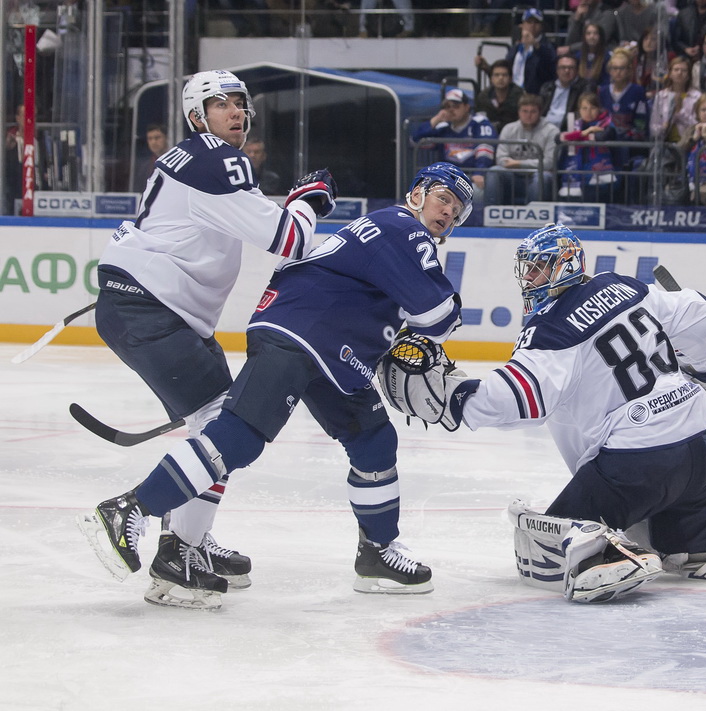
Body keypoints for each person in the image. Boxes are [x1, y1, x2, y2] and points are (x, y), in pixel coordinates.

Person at [78, 162, 474, 608]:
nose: (448, 214)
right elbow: (439, 315)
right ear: (419, 193)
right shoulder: (405, 228)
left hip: (329, 347)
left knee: (373, 439)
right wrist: (425, 337)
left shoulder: (389, 229)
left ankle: (377, 553)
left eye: (457, 212)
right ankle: (130, 508)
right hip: (303, 333)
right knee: (239, 437)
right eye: (444, 199)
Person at [376, 224, 706, 603]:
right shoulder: (624, 286)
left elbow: (520, 399)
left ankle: (605, 556)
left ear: (566, 264)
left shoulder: (552, 327)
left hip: (640, 465)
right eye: (528, 270)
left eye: (540, 269)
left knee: (545, 547)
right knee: (686, 553)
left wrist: (452, 399)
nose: (531, 279)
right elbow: (701, 311)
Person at [77, 69, 337, 605]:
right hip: (152, 309)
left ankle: (189, 538)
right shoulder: (216, 159)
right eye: (223, 105)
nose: (238, 113)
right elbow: (287, 237)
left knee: (218, 424)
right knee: (226, 426)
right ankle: (172, 544)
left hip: (152, 308)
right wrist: (311, 200)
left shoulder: (200, 159)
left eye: (241, 103)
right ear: (198, 117)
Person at [411, 88, 496, 201]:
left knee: (476, 192)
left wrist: (479, 172)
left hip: (472, 178)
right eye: (447, 107)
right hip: (446, 179)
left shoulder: (479, 123)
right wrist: (437, 119)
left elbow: (485, 150)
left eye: (456, 106)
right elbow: (415, 142)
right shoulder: (443, 127)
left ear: (467, 107)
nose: (451, 110)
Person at [485, 93, 559, 204]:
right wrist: (513, 165)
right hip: (512, 176)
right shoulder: (509, 129)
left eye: (533, 111)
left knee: (542, 177)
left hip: (537, 175)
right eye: (525, 111)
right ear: (519, 112)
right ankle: (490, 215)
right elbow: (501, 158)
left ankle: (534, 217)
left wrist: (518, 164)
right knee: (494, 171)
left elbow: (549, 163)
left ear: (540, 113)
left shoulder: (551, 131)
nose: (528, 115)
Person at [558, 91, 616, 200]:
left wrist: (575, 137)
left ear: (599, 108)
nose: (588, 112)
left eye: (593, 108)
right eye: (584, 108)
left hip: (599, 174)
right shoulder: (573, 124)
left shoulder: (607, 124)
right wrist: (586, 132)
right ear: (579, 110)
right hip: (574, 172)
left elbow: (601, 137)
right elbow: (558, 138)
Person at [650, 56, 702, 144]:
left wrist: (679, 112)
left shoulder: (697, 96)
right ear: (670, 74)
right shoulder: (661, 96)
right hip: (665, 144)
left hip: (688, 143)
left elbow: (697, 125)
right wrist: (663, 128)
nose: (679, 73)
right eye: (676, 69)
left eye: (684, 70)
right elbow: (653, 126)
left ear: (689, 75)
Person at [539, 54, 589, 132]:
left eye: (571, 68)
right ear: (557, 70)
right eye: (563, 67)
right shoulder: (547, 87)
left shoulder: (584, 87)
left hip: (567, 130)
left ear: (577, 70)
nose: (567, 71)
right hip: (544, 128)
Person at [473, 60, 525, 133]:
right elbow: (479, 120)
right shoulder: (483, 97)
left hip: (514, 135)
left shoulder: (520, 96)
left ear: (510, 79)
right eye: (497, 75)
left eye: (504, 75)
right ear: (491, 79)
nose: (501, 78)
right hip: (489, 135)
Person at [575, 22, 612, 90]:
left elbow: (607, 81)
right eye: (588, 34)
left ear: (600, 36)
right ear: (584, 37)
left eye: (595, 33)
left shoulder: (607, 57)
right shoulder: (578, 56)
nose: (592, 37)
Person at [133, 123, 168, 192]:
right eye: (150, 139)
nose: (153, 142)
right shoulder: (143, 167)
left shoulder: (175, 162)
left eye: (157, 138)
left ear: (166, 138)